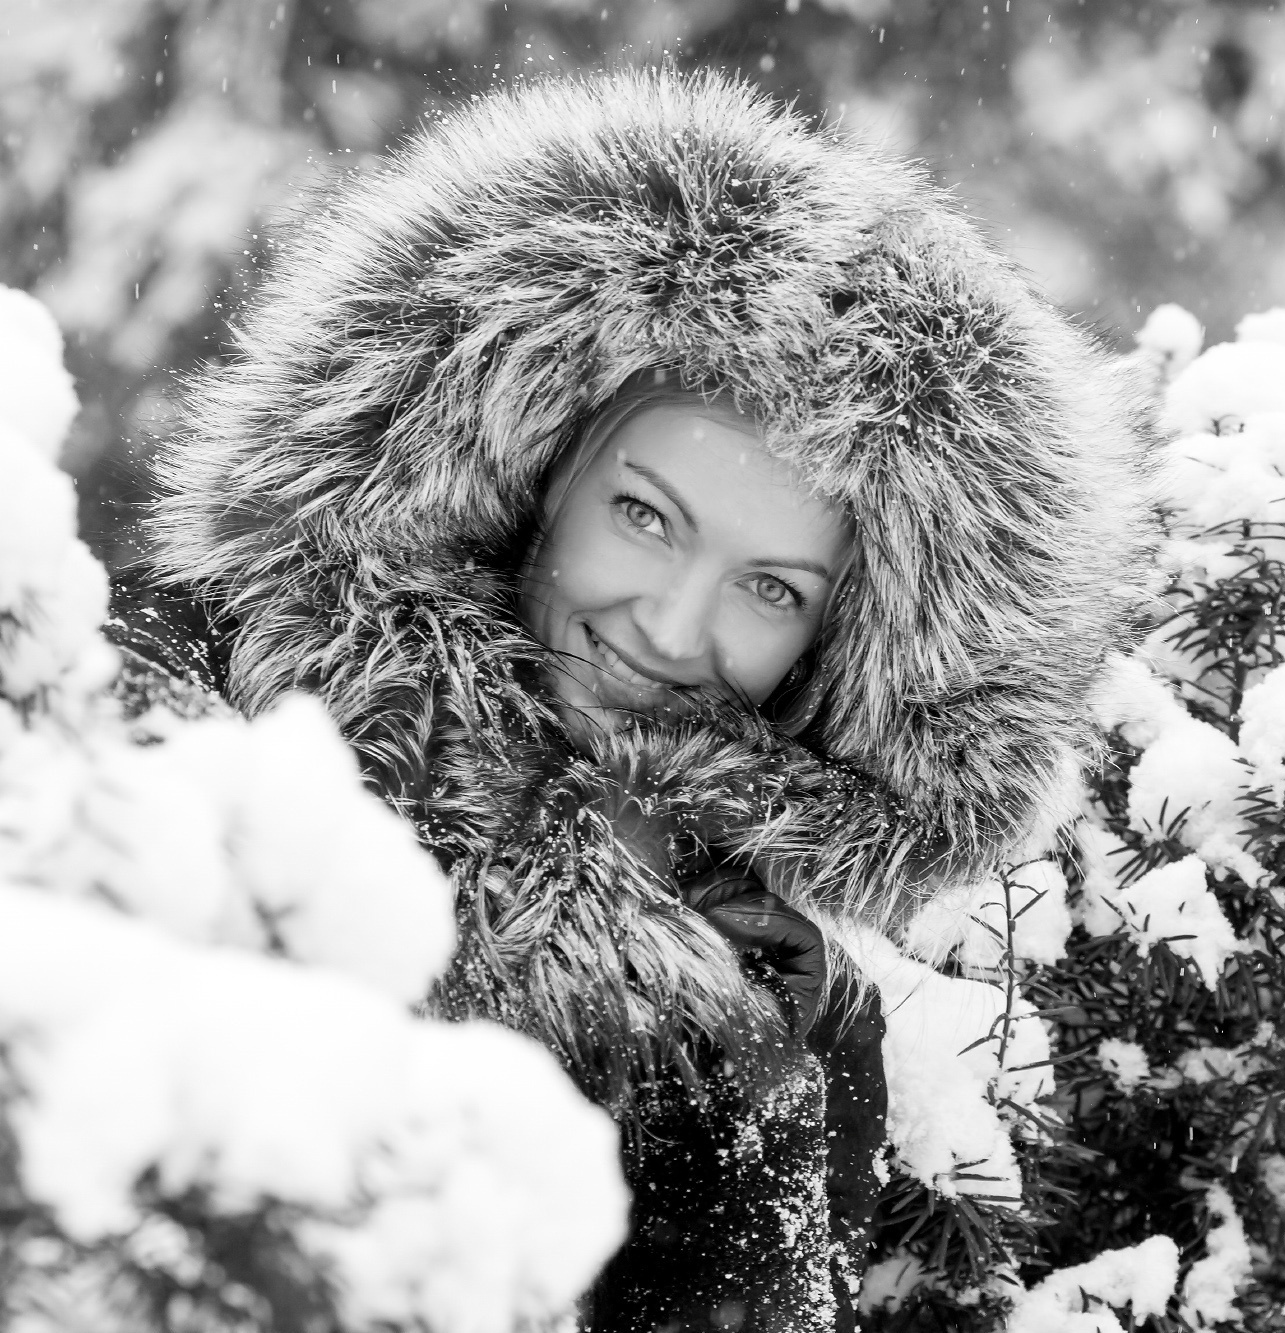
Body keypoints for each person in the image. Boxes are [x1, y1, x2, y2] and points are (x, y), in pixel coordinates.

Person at [107, 68, 1154, 1331]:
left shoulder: (774, 992)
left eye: (770, 591)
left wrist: (735, 1097)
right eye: (646, 516)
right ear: (536, 468)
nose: (670, 627)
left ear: (834, 652)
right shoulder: (185, 699)